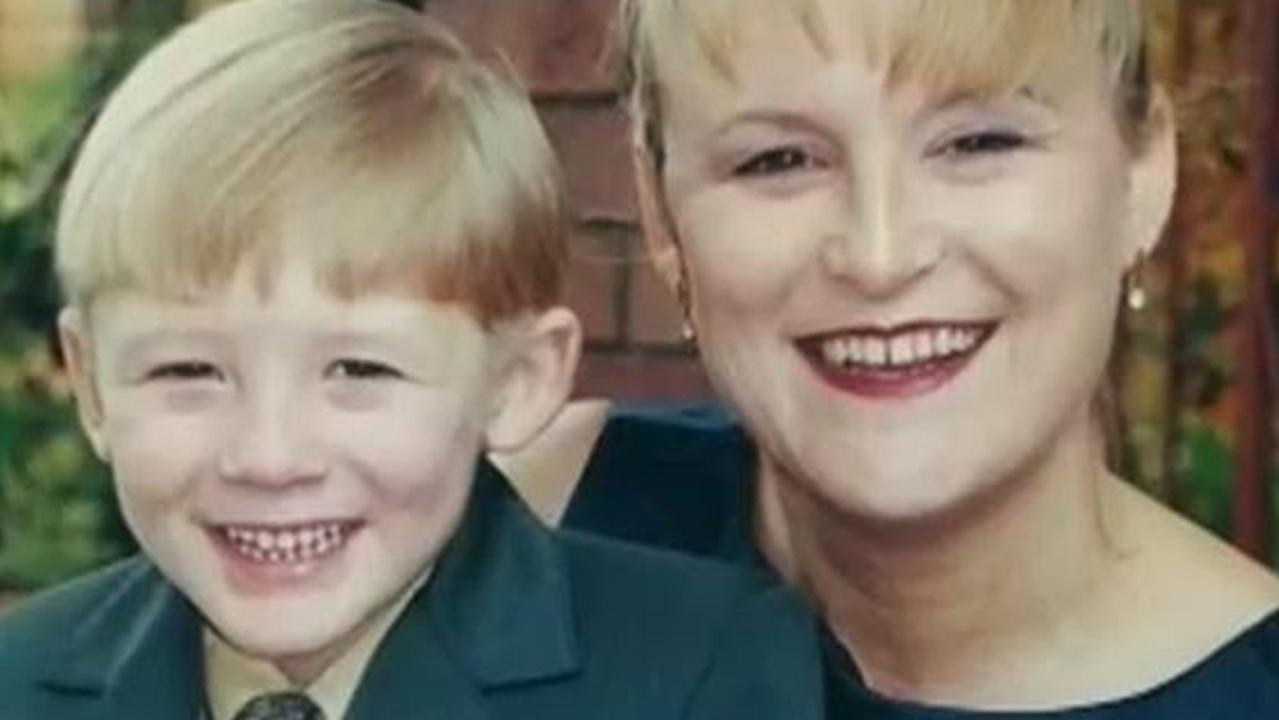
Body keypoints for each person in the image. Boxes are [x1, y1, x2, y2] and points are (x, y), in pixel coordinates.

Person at [0, 2, 824, 718]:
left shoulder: (703, 670)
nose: (269, 456)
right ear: (92, 384)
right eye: (188, 372)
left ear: (517, 381)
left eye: (358, 371)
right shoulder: (22, 678)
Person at [498, 0, 1279, 715]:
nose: (880, 256)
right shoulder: (515, 538)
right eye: (778, 161)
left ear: (1142, 176)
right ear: (660, 216)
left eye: (977, 142)